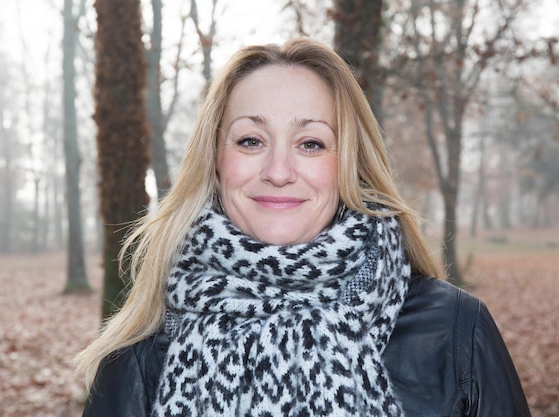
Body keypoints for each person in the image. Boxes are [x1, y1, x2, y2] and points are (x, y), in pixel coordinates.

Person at [75, 38, 530, 416]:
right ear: (215, 162)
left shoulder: (454, 332)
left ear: (348, 164)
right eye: (250, 140)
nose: (278, 170)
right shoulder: (140, 350)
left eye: (311, 143)